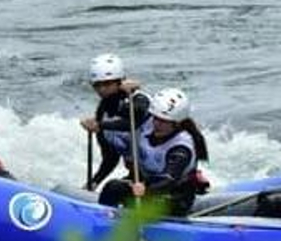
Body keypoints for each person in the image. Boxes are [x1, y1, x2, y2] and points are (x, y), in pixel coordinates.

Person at [98, 87, 210, 217]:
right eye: (156, 118)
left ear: (177, 124)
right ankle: (102, 219)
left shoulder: (181, 148)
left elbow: (169, 180)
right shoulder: (149, 123)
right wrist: (100, 124)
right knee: (113, 187)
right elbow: (134, 108)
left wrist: (147, 190)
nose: (157, 124)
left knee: (150, 202)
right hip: (146, 186)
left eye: (164, 121)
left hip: (175, 196)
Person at [80, 52, 152, 192]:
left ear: (120, 81)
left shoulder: (138, 99)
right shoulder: (102, 112)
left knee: (113, 188)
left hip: (159, 176)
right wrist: (94, 182)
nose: (102, 90)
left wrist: (100, 125)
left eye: (107, 84)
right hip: (136, 177)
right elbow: (111, 158)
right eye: (97, 85)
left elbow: (133, 121)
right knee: (111, 188)